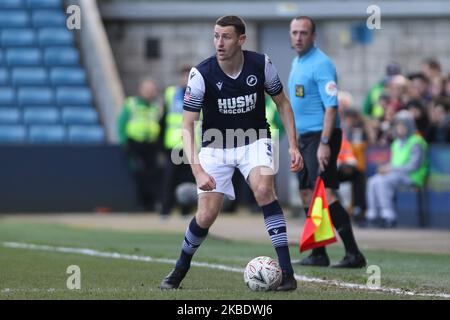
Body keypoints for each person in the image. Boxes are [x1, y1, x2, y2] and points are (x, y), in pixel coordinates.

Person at [159, 15, 303, 291]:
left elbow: (283, 104)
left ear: (241, 40)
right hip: (215, 146)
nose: (219, 43)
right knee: (206, 215)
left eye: (225, 36)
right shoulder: (201, 73)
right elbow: (187, 125)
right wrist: (198, 170)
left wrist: (293, 145)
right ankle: (180, 268)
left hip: (254, 139)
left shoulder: (261, 65)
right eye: (216, 36)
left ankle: (287, 272)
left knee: (263, 190)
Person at [288, 16, 366, 268]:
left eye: (303, 33)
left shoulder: (321, 64)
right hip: (305, 138)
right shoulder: (297, 61)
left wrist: (324, 143)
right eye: (295, 32)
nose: (298, 37)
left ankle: (354, 254)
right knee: (306, 193)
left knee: (327, 192)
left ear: (313, 36)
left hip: (322, 137)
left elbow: (331, 108)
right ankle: (318, 253)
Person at [365, 110, 428, 228]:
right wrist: (387, 168)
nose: (400, 128)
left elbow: (414, 166)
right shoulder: (396, 143)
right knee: (373, 180)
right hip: (397, 175)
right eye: (398, 125)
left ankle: (388, 215)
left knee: (383, 181)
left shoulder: (417, 142)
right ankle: (372, 215)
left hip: (412, 177)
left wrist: (390, 169)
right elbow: (394, 163)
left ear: (409, 125)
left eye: (403, 125)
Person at [117, 79, 163, 211]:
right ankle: (140, 204)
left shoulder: (157, 106)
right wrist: (124, 142)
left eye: (151, 89)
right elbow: (121, 123)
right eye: (146, 89)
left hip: (151, 145)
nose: (149, 92)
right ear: (140, 90)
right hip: (135, 143)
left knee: (152, 175)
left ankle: (151, 204)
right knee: (138, 174)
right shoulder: (131, 103)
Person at [160, 66, 196, 218]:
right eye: (184, 77)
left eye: (189, 78)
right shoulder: (170, 94)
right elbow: (162, 119)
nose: (186, 80)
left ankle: (186, 210)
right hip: (173, 144)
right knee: (170, 178)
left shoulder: (199, 95)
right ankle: (165, 209)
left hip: (192, 145)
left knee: (188, 178)